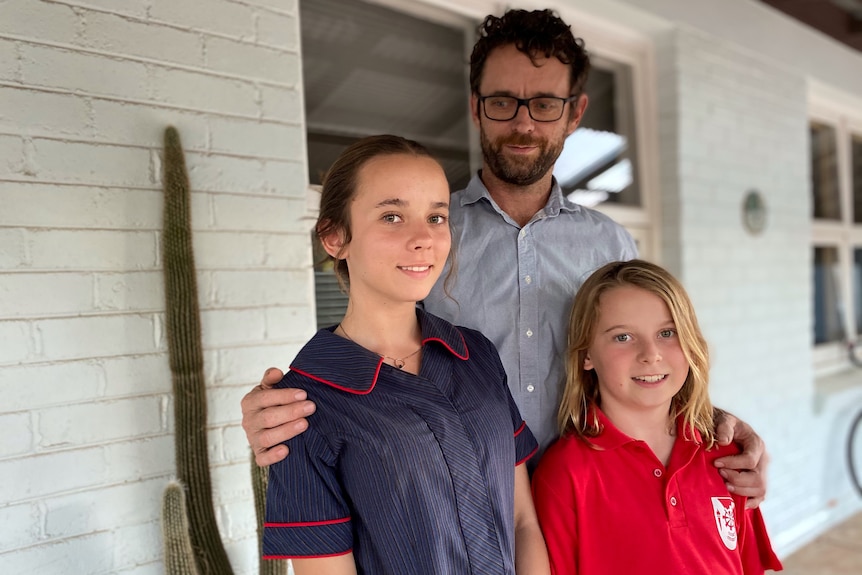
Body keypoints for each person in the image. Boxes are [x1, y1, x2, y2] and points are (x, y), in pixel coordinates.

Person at [242, 9, 768, 500]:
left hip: (595, 497)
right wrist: (291, 406)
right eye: (502, 102)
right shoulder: (430, 236)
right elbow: (371, 346)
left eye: (544, 104)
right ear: (476, 107)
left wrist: (716, 423)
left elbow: (640, 369)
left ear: (574, 112)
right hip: (465, 504)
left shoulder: (610, 246)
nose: (523, 124)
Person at [262, 134, 549, 574]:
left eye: (436, 217)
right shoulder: (301, 407)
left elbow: (522, 521)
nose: (424, 238)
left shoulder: (477, 355)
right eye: (392, 216)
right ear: (335, 237)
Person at [531, 259, 783, 575]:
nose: (651, 354)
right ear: (586, 355)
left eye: (667, 332)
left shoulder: (726, 454)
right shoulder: (566, 474)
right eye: (623, 337)